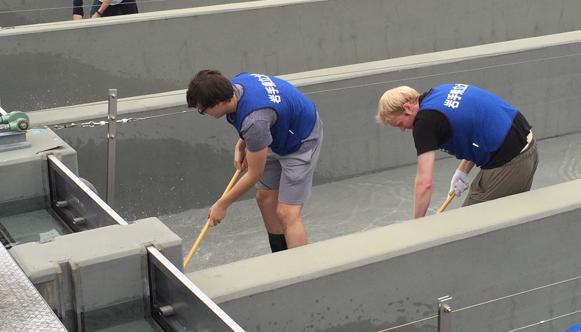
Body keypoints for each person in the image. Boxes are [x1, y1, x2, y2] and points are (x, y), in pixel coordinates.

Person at [186, 70, 323, 252]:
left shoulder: (254, 122)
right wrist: (241, 145)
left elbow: (253, 173)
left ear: (218, 103)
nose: (203, 113)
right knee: (265, 198)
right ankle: (280, 256)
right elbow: (264, 114)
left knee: (287, 213)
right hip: (275, 133)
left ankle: (302, 271)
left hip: (301, 140)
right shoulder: (236, 84)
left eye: (203, 110)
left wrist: (222, 204)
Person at [376, 83, 538, 218]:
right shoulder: (440, 91)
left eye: (399, 124)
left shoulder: (425, 123)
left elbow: (424, 183)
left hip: (512, 161)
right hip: (526, 144)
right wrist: (462, 171)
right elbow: (477, 126)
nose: (403, 130)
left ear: (408, 108)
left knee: (468, 227)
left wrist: (417, 226)